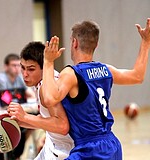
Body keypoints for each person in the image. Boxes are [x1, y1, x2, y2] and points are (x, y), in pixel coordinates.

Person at [41, 18, 150, 159]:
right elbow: (137, 76)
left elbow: (50, 98)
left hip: (89, 149)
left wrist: (48, 62)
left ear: (74, 43)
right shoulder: (106, 70)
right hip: (112, 145)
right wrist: (146, 42)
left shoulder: (71, 74)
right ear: (96, 44)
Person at [7, 42, 74, 160]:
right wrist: (22, 122)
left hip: (64, 149)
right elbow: (47, 117)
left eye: (31, 69)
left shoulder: (46, 88)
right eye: (22, 67)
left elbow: (62, 126)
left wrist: (26, 117)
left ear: (44, 68)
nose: (25, 74)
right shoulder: (41, 80)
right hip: (54, 144)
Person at [0, 53, 35, 159]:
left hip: (13, 110)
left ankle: (17, 153)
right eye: (13, 65)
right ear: (6, 67)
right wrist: (20, 95)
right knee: (19, 124)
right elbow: (6, 99)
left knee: (31, 121)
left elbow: (29, 93)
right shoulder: (0, 78)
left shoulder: (19, 78)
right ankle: (11, 152)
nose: (16, 68)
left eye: (18, 65)